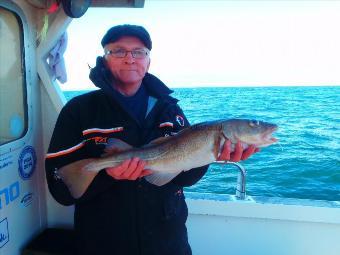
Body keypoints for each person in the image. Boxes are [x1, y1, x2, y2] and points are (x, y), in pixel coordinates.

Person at [45, 24, 258, 255]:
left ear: (148, 61)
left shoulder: (169, 109)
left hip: (168, 243)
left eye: (139, 52)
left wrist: (211, 155)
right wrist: (108, 174)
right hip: (103, 244)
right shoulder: (79, 110)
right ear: (104, 59)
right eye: (118, 51)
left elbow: (186, 178)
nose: (130, 58)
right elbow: (62, 191)